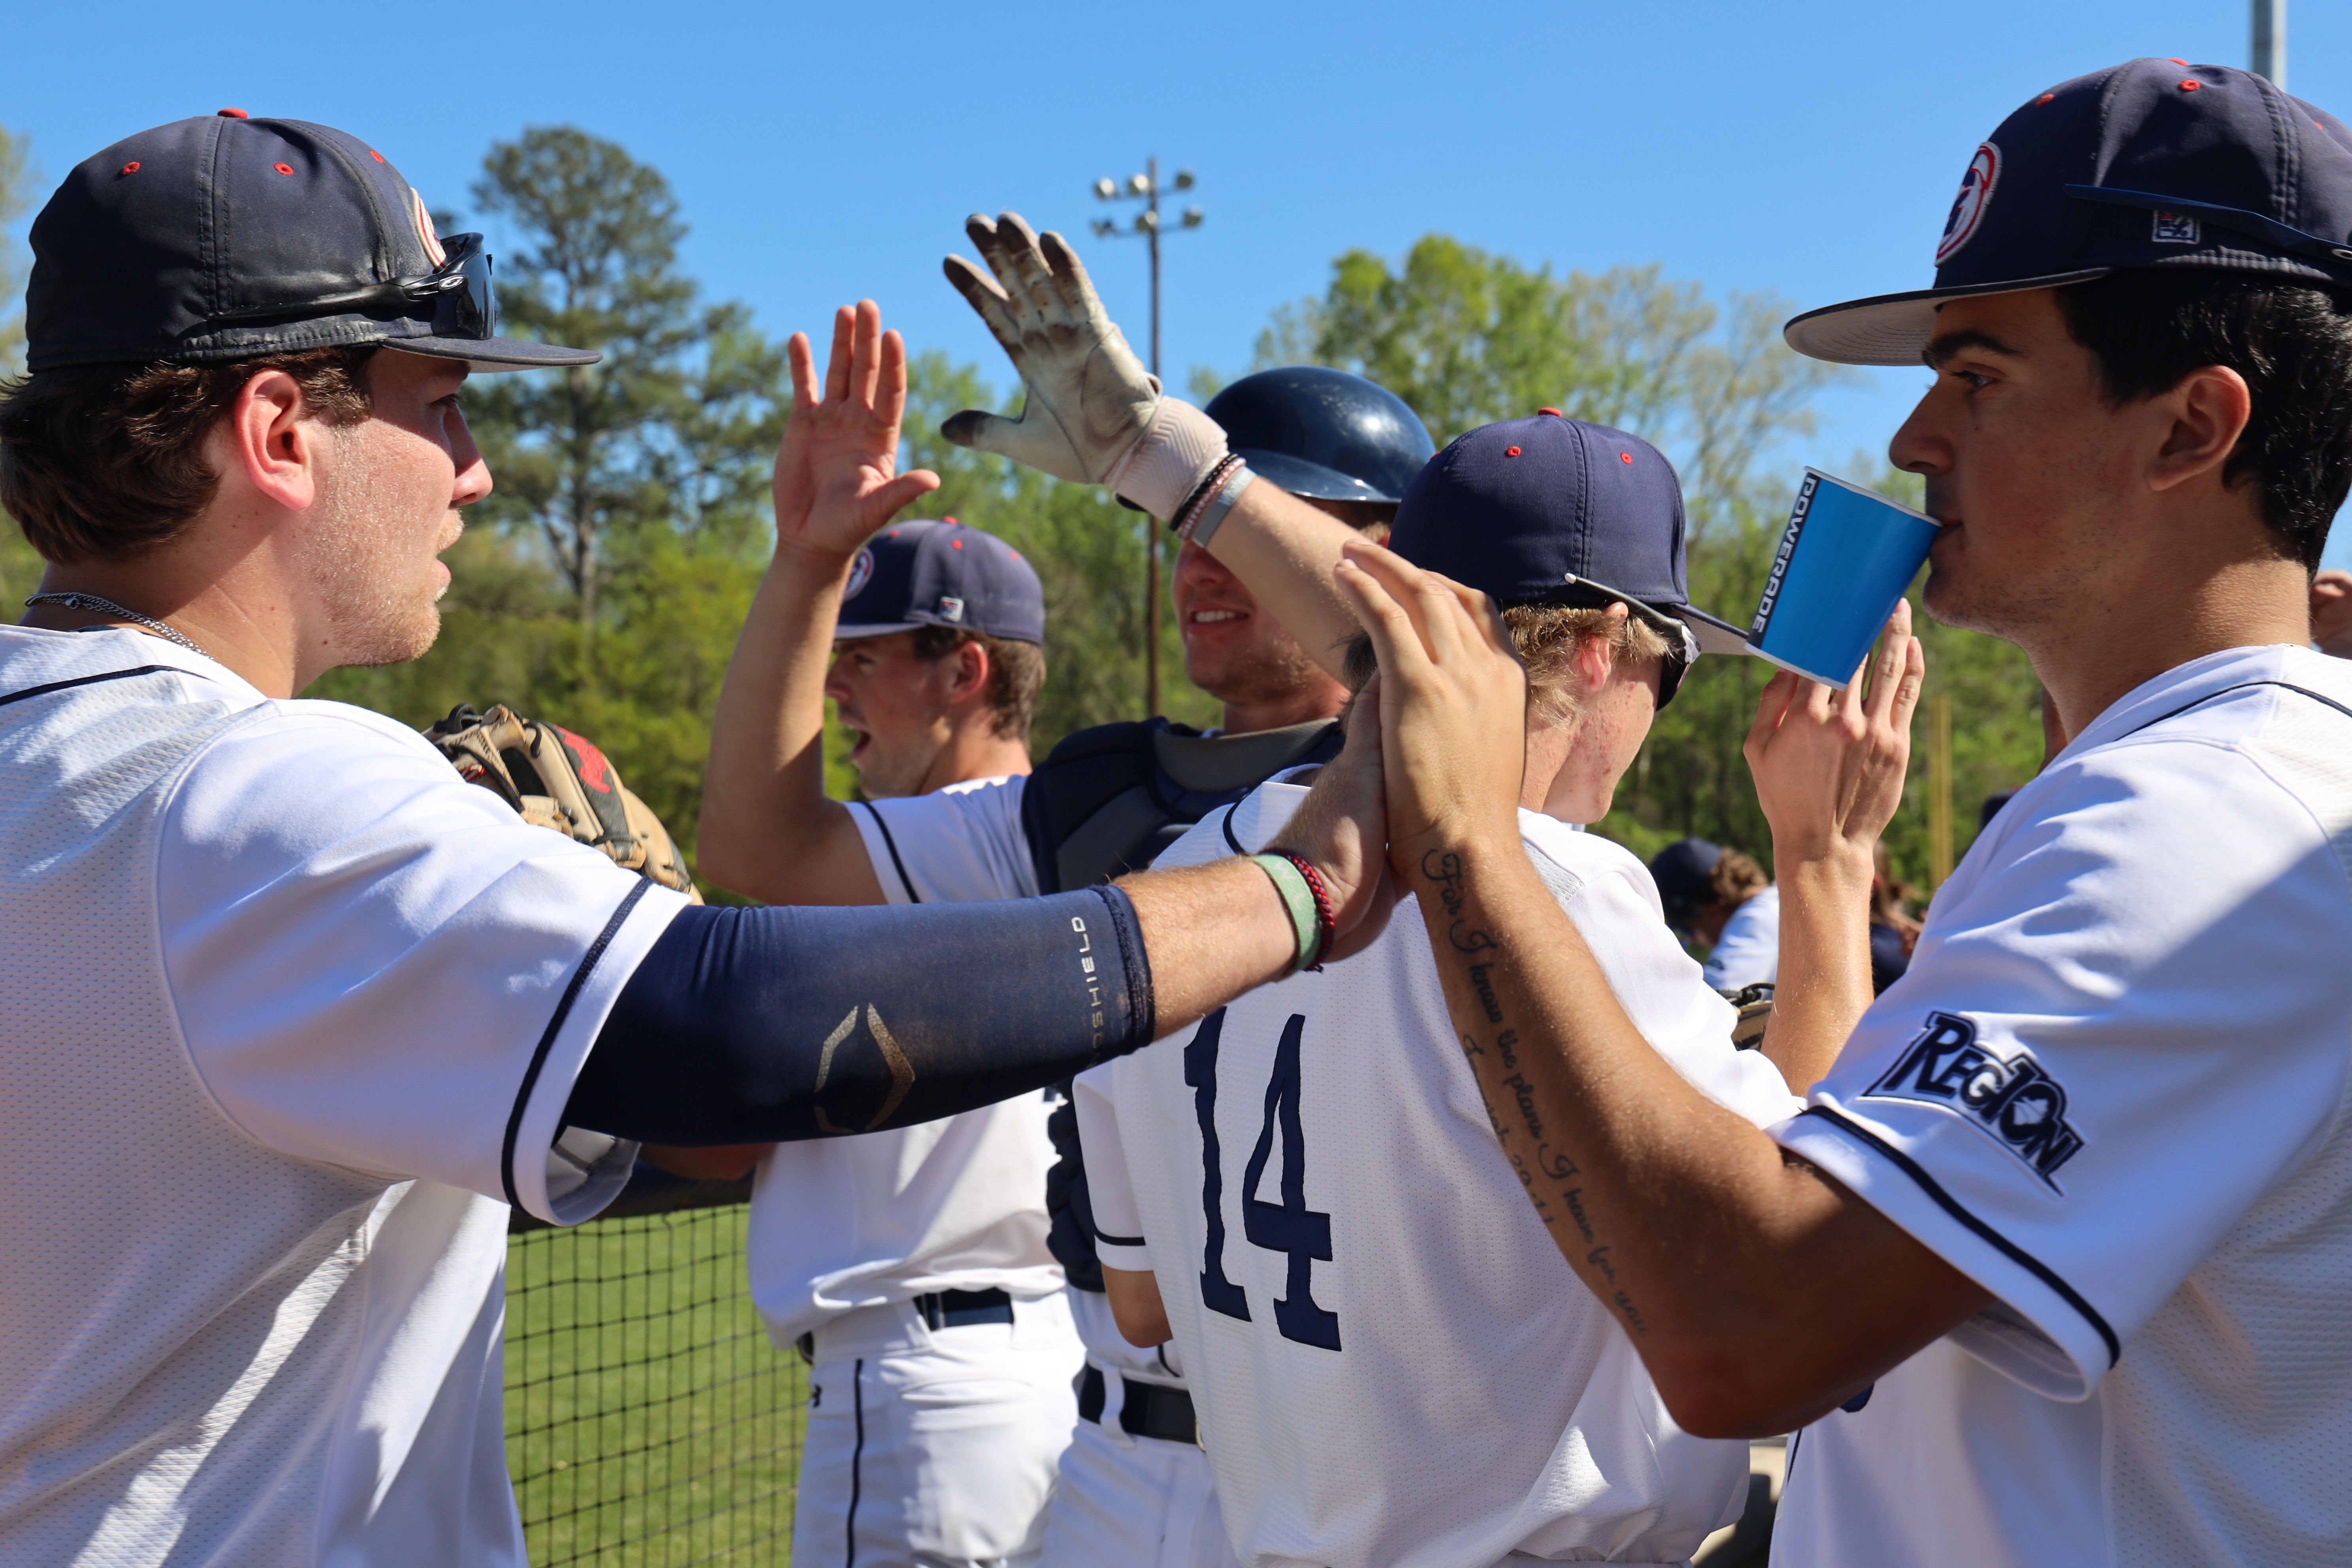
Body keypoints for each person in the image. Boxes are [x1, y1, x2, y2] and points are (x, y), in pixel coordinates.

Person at [0, 117, 1387, 1567]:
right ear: (281, 431)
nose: (470, 473)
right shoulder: (247, 791)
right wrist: (1300, 881)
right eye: (440, 406)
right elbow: (741, 1019)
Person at [1335, 58, 2352, 1566]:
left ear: (2189, 427)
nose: (1908, 440)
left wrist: (1470, 843)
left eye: (1977, 377)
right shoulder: (2178, 784)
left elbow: (1748, 1325)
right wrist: (1820, 864)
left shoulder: (2207, 815)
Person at [1069, 413, 1880, 1568]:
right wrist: (1823, 862)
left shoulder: (1174, 878)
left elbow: (1142, 1305)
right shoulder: (1566, 883)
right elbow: (1792, 1263)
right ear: (1604, 645)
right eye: (1671, 665)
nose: (1662, 704)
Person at [695, 323, 1434, 1567]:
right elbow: (764, 852)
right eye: (1191, 523)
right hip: (1112, 1450)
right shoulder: (1092, 797)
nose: (1205, 556)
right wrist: (813, 561)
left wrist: (1192, 470)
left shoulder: (1450, 784)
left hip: (1353, 1462)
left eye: (1259, 517)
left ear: (1382, 552)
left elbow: (1438, 685)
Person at [670, 513, 1074, 1568]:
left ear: (964, 671)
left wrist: (630, 931)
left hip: (921, 1395)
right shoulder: (1083, 839)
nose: (830, 686)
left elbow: (711, 1135)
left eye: (861, 657)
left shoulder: (931, 860)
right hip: (1064, 1380)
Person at [1648, 837, 1780, 990]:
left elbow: (1716, 997)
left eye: (1687, 929)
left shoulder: (1757, 918)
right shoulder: (1774, 906)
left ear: (1712, 908)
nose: (1693, 939)